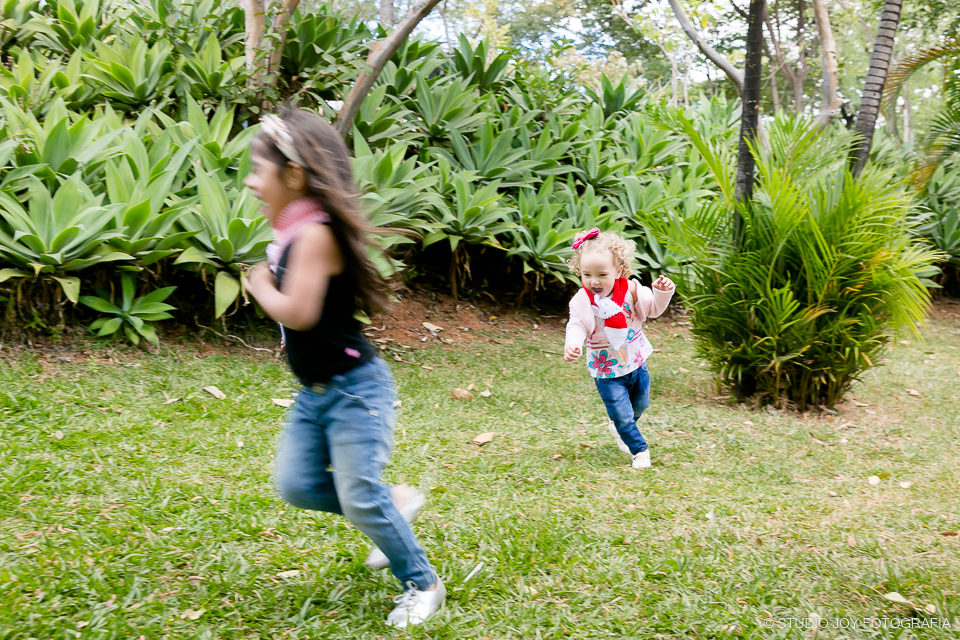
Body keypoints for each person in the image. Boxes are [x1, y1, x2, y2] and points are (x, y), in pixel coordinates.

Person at [242, 107, 444, 628]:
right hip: (315, 393)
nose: (250, 182)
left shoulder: (315, 235)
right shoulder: (294, 231)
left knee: (358, 495)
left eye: (258, 170)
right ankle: (394, 501)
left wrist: (260, 285)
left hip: (356, 391)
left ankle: (422, 583)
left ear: (293, 175)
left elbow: (300, 312)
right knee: (297, 485)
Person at [563, 228, 675, 470]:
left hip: (636, 362)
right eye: (586, 274)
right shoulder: (583, 301)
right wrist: (573, 342)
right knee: (623, 415)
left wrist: (662, 292)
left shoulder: (632, 291)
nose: (594, 281)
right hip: (606, 371)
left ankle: (620, 426)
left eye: (602, 274)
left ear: (619, 271)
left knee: (640, 405)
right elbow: (577, 324)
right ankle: (640, 451)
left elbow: (653, 309)